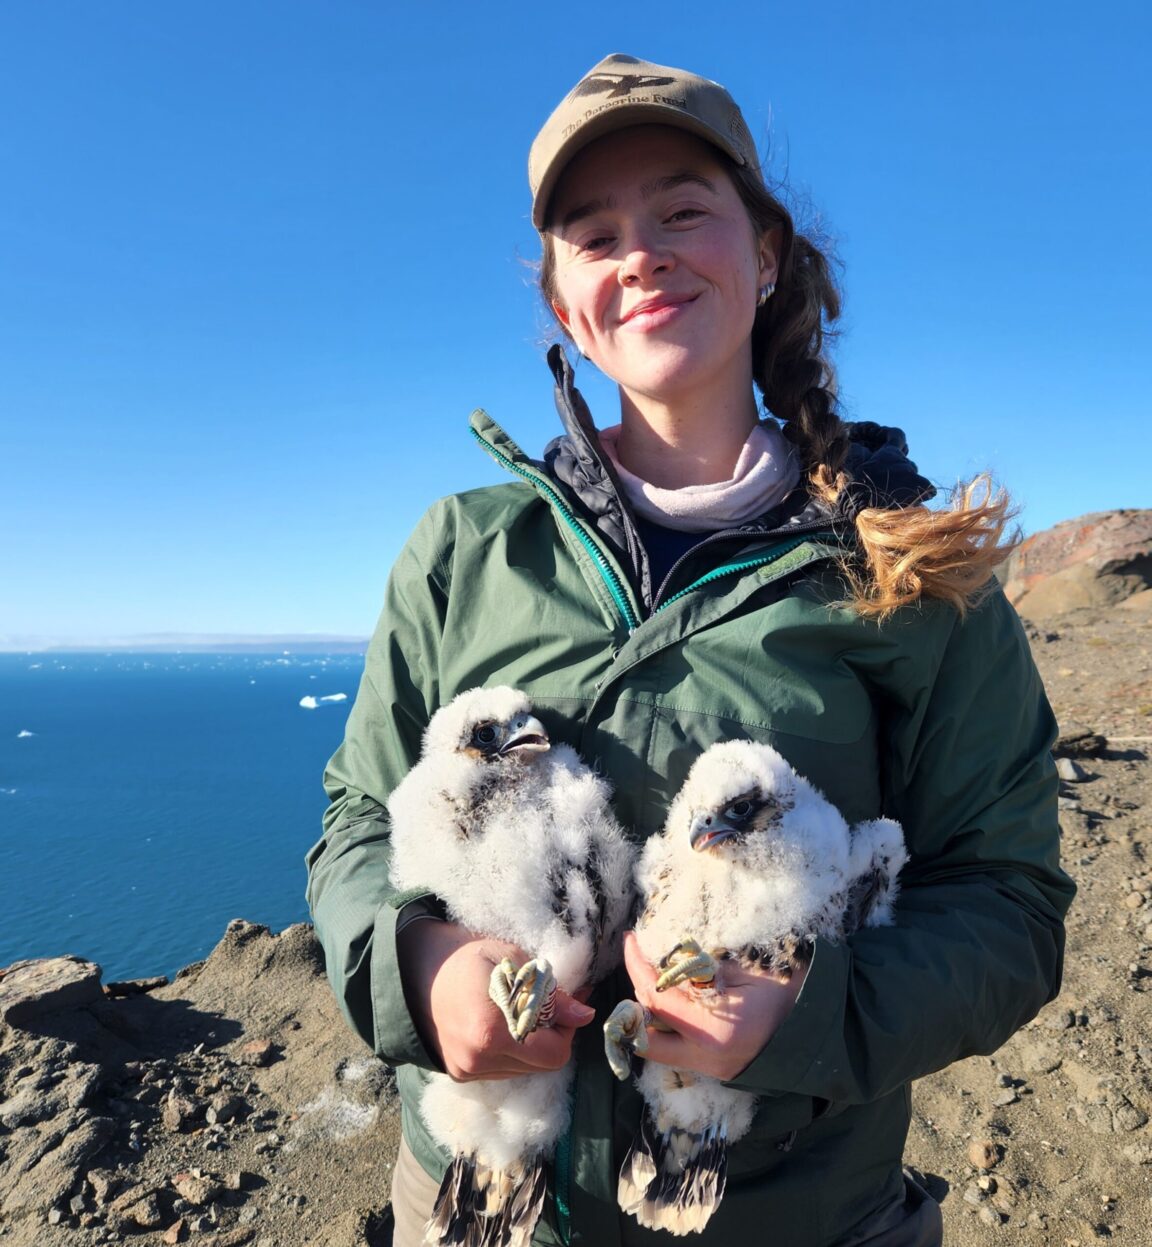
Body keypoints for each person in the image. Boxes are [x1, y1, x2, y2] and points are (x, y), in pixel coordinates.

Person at [307, 53, 1074, 1246]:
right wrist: (416, 963)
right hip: (477, 1201)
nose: (640, 255)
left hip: (792, 1216)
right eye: (593, 234)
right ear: (565, 305)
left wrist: (803, 1011)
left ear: (765, 256)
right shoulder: (462, 549)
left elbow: (1011, 903)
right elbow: (357, 818)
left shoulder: (908, 574)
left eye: (681, 211)